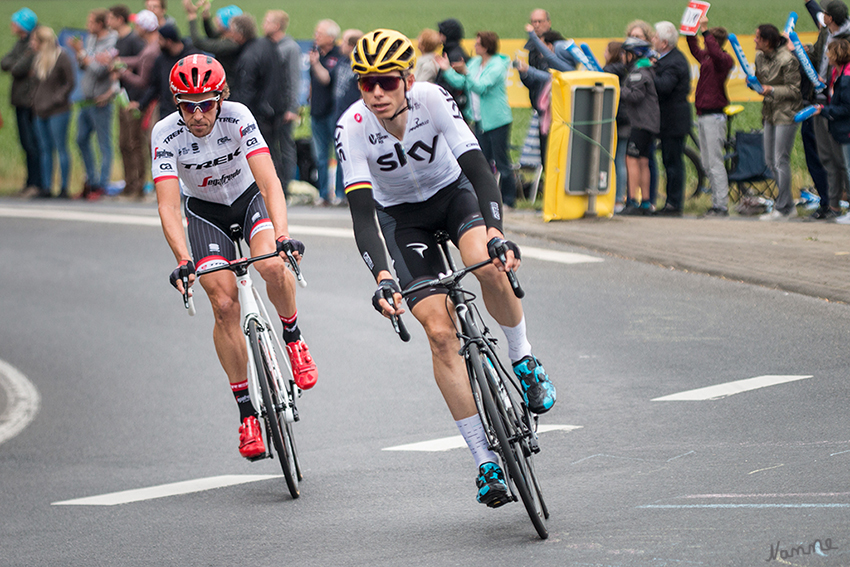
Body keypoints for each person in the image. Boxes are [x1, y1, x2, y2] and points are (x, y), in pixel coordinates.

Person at [336, 29, 556, 507]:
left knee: (487, 265)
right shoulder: (351, 126)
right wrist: (382, 277)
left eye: (386, 82)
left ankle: (523, 359)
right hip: (404, 221)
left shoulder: (433, 98)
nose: (376, 92)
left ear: (407, 80)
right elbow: (362, 216)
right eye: (365, 83)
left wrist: (497, 232)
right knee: (438, 333)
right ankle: (485, 461)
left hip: (453, 195)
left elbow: (478, 168)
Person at [152, 55, 318, 459]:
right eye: (187, 105)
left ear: (220, 98)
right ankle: (247, 414)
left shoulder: (238, 117)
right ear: (176, 102)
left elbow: (269, 180)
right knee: (223, 303)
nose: (196, 114)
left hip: (249, 202)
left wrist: (282, 235)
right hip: (204, 214)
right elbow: (170, 206)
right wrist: (182, 259)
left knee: (270, 264)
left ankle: (293, 337)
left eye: (205, 103)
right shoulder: (165, 133)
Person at [439, 30, 518, 207]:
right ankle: (486, 199)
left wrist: (466, 73)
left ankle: (509, 200)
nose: (474, 46)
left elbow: (481, 87)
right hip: (479, 120)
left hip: (497, 120)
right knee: (482, 163)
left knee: (501, 161)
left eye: (477, 43)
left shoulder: (497, 65)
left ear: (486, 46)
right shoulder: (475, 63)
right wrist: (447, 70)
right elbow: (462, 83)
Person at [804, 0, 850, 219]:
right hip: (820, 100)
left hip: (838, 103)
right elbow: (817, 57)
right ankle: (833, 206)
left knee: (843, 161)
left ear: (830, 17)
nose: (822, 15)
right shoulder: (825, 32)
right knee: (827, 157)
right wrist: (807, 52)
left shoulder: (847, 40)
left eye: (825, 13)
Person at [752, 24, 802, 221]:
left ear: (767, 41)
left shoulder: (787, 60)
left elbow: (794, 91)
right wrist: (754, 84)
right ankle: (787, 204)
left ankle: (782, 207)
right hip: (769, 113)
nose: (754, 40)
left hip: (786, 114)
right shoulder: (759, 57)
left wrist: (771, 90)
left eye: (757, 37)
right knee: (769, 160)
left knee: (781, 160)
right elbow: (760, 80)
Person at [686, 16, 734, 217]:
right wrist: (690, 30)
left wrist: (705, 32)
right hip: (704, 115)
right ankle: (716, 202)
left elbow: (713, 51)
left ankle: (721, 205)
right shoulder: (707, 58)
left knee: (715, 162)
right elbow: (695, 49)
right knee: (707, 163)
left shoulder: (724, 60)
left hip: (715, 116)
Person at [69, 9, 118, 200]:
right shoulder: (90, 39)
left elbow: (99, 69)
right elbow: (84, 65)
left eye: (91, 22)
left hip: (101, 100)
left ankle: (102, 184)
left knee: (103, 143)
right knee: (80, 139)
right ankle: (91, 179)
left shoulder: (111, 42)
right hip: (86, 99)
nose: (88, 25)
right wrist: (82, 56)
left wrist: (81, 53)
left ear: (100, 24)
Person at [112, 9, 161, 200]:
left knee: (139, 143)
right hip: (145, 100)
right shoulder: (150, 47)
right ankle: (136, 185)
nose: (134, 27)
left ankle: (139, 185)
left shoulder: (150, 50)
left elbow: (143, 80)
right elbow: (138, 61)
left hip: (145, 101)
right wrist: (118, 62)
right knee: (135, 143)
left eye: (138, 24)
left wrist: (121, 71)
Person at [107, 5, 147, 200]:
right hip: (121, 97)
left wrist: (139, 100)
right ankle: (128, 184)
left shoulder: (134, 41)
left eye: (111, 17)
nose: (108, 21)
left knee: (134, 143)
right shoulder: (118, 40)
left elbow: (142, 70)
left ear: (119, 19)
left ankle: (138, 185)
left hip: (134, 99)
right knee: (123, 143)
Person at [652, 21, 691, 216]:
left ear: (665, 43)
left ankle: (674, 204)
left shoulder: (674, 61)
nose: (653, 40)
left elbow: (664, 86)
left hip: (673, 120)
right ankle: (671, 202)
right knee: (669, 161)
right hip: (669, 120)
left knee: (674, 163)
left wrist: (650, 71)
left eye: (656, 38)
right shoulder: (667, 58)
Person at [2, 8, 42, 197]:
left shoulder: (32, 45)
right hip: (19, 100)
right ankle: (29, 182)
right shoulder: (21, 43)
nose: (12, 26)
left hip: (29, 101)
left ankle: (37, 183)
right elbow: (5, 63)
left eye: (15, 22)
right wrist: (17, 66)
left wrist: (18, 66)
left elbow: (17, 68)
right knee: (25, 144)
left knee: (32, 143)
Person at [31, 25, 75, 199]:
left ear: (43, 41)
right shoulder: (38, 58)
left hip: (58, 110)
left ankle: (64, 187)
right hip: (39, 109)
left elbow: (70, 82)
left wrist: (58, 98)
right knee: (45, 149)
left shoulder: (61, 56)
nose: (32, 44)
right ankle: (47, 186)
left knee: (60, 147)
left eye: (35, 40)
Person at [618, 37, 660, 216]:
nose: (622, 57)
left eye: (625, 53)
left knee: (632, 160)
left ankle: (633, 200)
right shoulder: (646, 69)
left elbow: (635, 96)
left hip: (641, 124)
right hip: (648, 123)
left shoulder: (638, 72)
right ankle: (646, 202)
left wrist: (617, 88)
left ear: (633, 55)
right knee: (643, 161)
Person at [811, 38, 850, 223]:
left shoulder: (847, 78)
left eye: (829, 52)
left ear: (837, 55)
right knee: (838, 165)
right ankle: (836, 206)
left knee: (847, 168)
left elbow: (847, 108)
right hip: (837, 128)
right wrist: (824, 84)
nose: (827, 56)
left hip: (846, 130)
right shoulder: (836, 73)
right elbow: (832, 92)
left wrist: (824, 110)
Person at [264, 10, 302, 195]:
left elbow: (294, 79)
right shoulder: (268, 46)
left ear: (277, 25)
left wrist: (291, 107)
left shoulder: (290, 47)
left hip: (285, 108)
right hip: (270, 108)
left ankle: (286, 187)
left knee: (285, 147)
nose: (263, 24)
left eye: (267, 21)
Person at [135, 23, 201, 119]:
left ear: (169, 41)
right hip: (166, 112)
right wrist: (141, 104)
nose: (158, 42)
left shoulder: (192, 57)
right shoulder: (161, 60)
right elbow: (155, 86)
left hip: (188, 111)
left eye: (160, 40)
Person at [309, 19, 341, 206]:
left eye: (319, 33)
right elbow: (313, 82)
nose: (316, 36)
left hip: (332, 112)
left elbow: (326, 79)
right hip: (317, 111)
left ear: (331, 37)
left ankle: (339, 194)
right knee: (320, 157)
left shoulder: (337, 56)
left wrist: (315, 64)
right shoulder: (316, 53)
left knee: (337, 155)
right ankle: (323, 194)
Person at [331, 28, 364, 204]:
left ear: (351, 45)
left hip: (352, 117)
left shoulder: (360, 66)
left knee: (353, 156)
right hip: (338, 115)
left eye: (344, 42)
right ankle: (339, 194)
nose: (340, 45)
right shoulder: (343, 61)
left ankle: (350, 195)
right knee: (340, 155)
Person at [184, 0, 243, 78]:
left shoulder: (231, 45)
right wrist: (205, 16)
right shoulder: (230, 38)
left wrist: (192, 16)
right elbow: (212, 35)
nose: (216, 20)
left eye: (220, 19)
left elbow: (198, 43)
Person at [603, 41, 629, 211]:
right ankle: (619, 197)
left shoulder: (611, 71)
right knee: (620, 159)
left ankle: (618, 197)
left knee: (617, 160)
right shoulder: (625, 70)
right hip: (626, 121)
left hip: (618, 121)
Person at [436, 18, 469, 112]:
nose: (438, 35)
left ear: (446, 36)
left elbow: (454, 85)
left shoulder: (454, 56)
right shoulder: (454, 51)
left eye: (440, 32)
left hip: (453, 107)